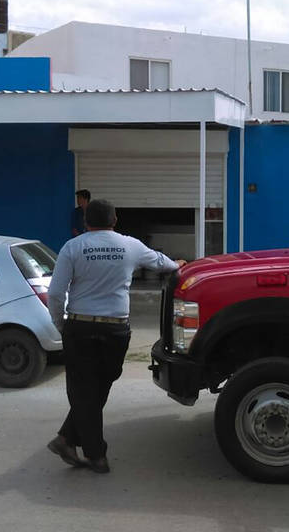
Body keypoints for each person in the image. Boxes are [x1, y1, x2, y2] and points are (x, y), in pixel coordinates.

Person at [46, 199, 186, 473]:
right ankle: (94, 454)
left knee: (86, 390)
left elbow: (55, 293)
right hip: (115, 329)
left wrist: (61, 325)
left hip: (80, 326)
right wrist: (177, 263)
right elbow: (162, 263)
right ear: (115, 220)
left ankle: (67, 439)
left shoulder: (72, 247)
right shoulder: (130, 245)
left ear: (85, 221)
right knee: (100, 385)